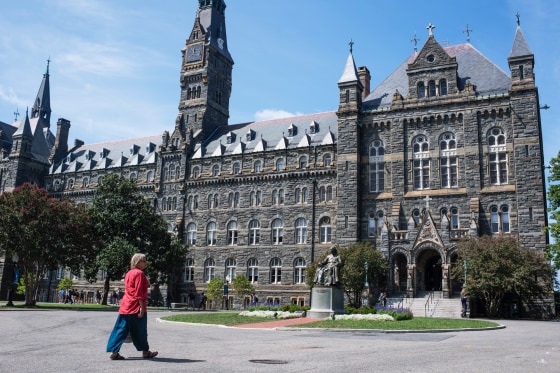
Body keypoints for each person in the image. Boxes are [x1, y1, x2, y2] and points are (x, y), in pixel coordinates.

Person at [106, 253, 158, 360]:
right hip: (135, 306)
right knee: (140, 330)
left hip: (125, 305)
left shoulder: (128, 273)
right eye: (144, 260)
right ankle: (145, 352)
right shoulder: (139, 274)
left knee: (120, 329)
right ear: (138, 262)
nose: (145, 263)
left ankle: (114, 352)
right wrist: (142, 308)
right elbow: (138, 292)